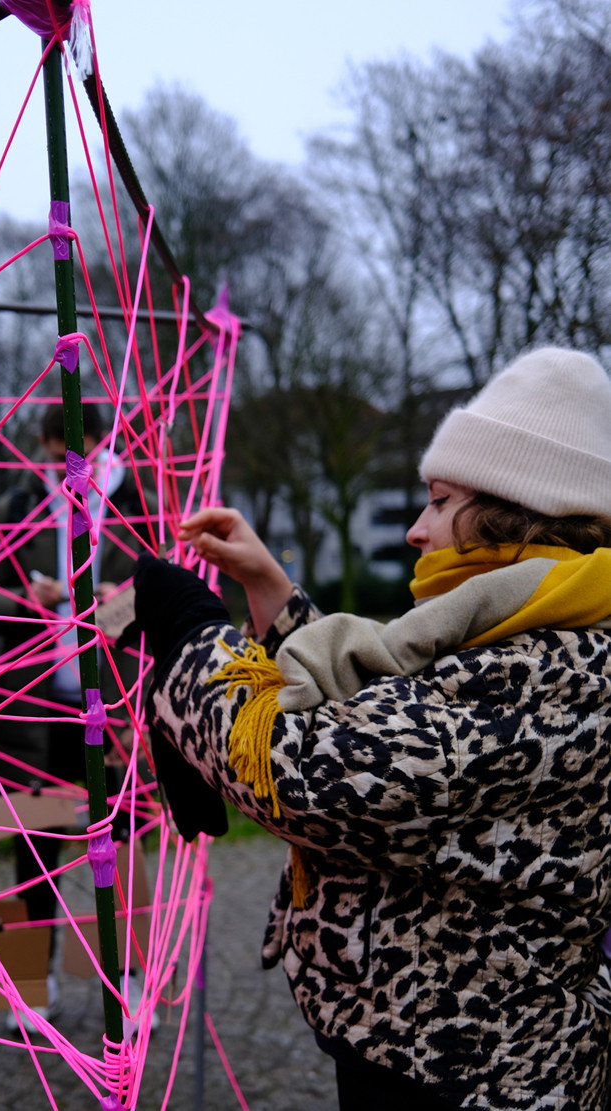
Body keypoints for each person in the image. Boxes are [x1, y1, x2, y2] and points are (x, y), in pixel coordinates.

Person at [134, 347, 611, 1110]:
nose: (419, 529)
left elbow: (309, 776)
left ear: (513, 510)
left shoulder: (542, 668)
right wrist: (270, 586)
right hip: (438, 1047)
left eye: (439, 500)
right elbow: (396, 721)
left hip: (466, 1071)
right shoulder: (532, 629)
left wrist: (191, 631)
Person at [0, 401, 148, 1023]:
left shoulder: (137, 500)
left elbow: (164, 590)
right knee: (32, 849)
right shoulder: (21, 505)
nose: (54, 464)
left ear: (96, 443)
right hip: (37, 713)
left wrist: (88, 602)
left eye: (66, 451)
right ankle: (31, 986)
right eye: (46, 452)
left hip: (113, 710)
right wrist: (27, 599)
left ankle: (131, 981)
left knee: (119, 850)